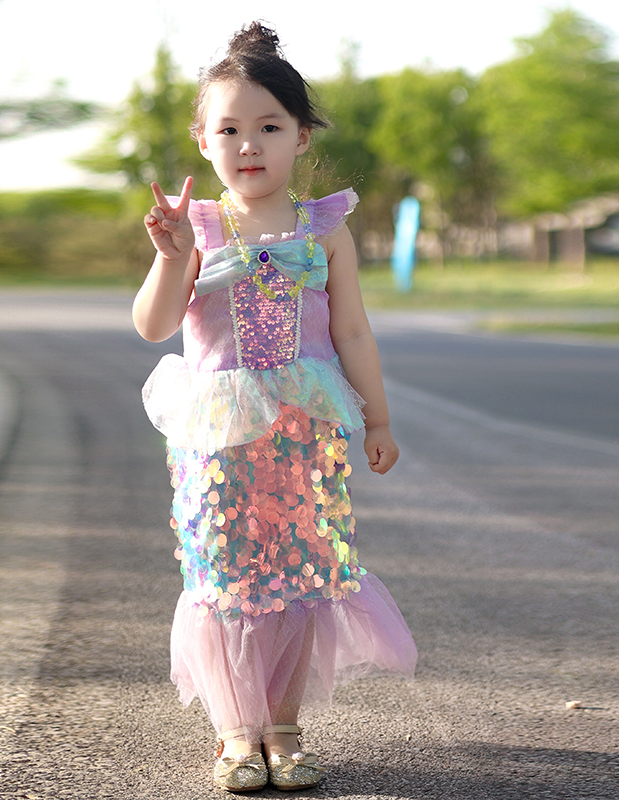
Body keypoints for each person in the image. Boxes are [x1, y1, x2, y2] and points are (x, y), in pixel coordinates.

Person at [133, 21, 417, 793]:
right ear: (202, 140)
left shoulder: (324, 229)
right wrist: (168, 261)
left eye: (268, 126)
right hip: (219, 438)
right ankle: (234, 735)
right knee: (224, 572)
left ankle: (284, 729)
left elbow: (353, 328)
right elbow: (154, 326)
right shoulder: (194, 227)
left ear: (300, 136)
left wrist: (379, 419)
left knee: (295, 571)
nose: (248, 144)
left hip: (301, 436)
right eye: (228, 129)